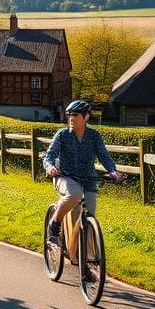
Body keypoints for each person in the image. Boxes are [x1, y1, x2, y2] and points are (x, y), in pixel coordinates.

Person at [42, 100, 122, 261]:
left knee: (90, 216)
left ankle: (86, 258)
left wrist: (113, 171)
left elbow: (104, 156)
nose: (71, 118)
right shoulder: (62, 135)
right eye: (69, 115)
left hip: (88, 179)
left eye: (75, 115)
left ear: (86, 117)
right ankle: (54, 223)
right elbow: (49, 156)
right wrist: (50, 167)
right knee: (75, 194)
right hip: (65, 176)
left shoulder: (94, 136)